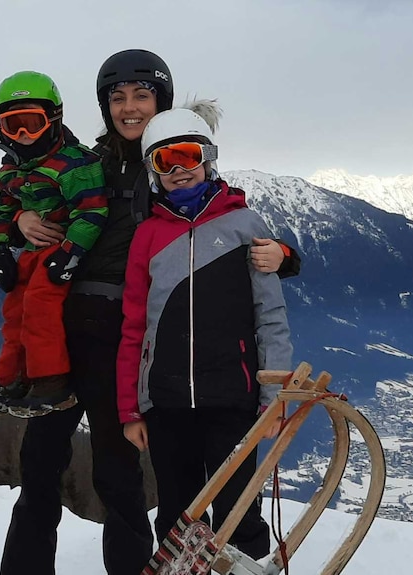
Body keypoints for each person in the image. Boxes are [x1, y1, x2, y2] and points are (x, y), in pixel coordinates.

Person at [0, 49, 299, 575]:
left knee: (118, 475)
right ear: (103, 105)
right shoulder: (85, 161)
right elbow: (26, 180)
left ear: (163, 101)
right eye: (118, 98)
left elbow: (231, 228)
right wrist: (21, 217)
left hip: (127, 338)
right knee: (40, 464)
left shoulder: (174, 165)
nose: (130, 108)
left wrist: (287, 254)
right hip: (68, 332)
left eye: (143, 95)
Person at [117, 101, 292, 559]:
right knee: (177, 516)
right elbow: (134, 326)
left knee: (240, 512)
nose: (178, 170)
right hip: (168, 403)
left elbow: (270, 315)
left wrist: (275, 397)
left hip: (232, 398)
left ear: (208, 158)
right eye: (164, 160)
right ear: (152, 170)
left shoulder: (245, 225)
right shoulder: (147, 236)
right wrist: (131, 409)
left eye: (188, 157)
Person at [0, 70, 108, 416]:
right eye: (14, 126)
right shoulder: (11, 169)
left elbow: (92, 211)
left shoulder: (74, 164)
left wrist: (69, 254)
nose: (24, 135)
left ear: (54, 118)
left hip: (61, 247)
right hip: (30, 253)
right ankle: (13, 378)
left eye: (32, 123)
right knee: (15, 309)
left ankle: (50, 380)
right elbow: (3, 210)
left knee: (40, 306)